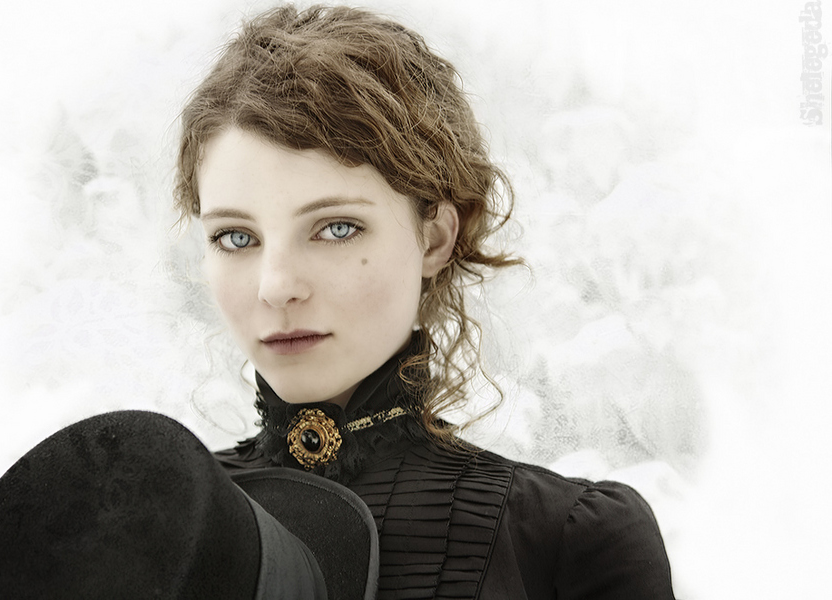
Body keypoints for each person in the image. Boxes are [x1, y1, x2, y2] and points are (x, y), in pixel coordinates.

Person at [176, 4, 676, 599]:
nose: (275, 285)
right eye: (236, 237)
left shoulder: (567, 541)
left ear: (435, 236)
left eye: (335, 228)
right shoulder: (152, 523)